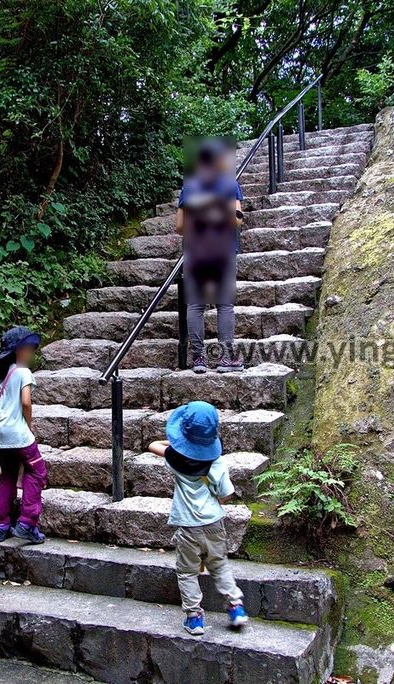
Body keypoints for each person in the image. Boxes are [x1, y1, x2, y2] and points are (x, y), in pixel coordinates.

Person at [148, 401, 249, 635]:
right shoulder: (218, 462)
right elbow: (226, 494)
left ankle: (194, 618)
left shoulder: (175, 459)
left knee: (187, 572)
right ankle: (235, 607)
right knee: (219, 564)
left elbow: (153, 444)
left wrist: (177, 442)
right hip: (214, 523)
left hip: (188, 527)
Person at [176, 138, 246, 374]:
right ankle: (226, 359)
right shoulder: (229, 185)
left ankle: (199, 360)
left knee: (195, 305)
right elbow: (236, 220)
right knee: (224, 305)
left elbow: (179, 226)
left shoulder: (190, 186)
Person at [0, 326, 47, 544]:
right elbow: (26, 402)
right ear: (19, 350)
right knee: (37, 472)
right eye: (29, 348)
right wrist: (27, 424)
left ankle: (0, 524)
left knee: (8, 474)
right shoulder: (23, 372)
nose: (31, 353)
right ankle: (28, 522)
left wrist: (2, 413)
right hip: (18, 434)